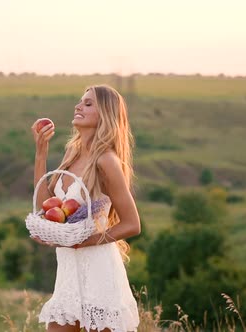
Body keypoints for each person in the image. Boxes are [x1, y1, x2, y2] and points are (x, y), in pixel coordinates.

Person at [30, 84, 141, 332]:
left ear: (106, 114)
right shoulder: (73, 152)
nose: (78, 106)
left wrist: (83, 242)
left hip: (100, 271)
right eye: (80, 102)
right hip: (69, 272)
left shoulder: (107, 161)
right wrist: (41, 153)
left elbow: (132, 224)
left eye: (88, 104)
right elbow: (46, 203)